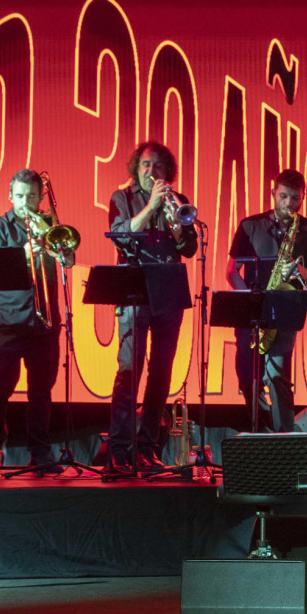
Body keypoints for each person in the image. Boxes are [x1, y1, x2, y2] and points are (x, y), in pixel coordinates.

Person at [106, 140, 198, 471]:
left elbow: (188, 248)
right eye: (145, 165)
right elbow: (120, 235)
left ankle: (146, 448)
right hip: (134, 289)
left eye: (158, 166)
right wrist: (150, 208)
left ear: (167, 171)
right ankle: (119, 449)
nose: (151, 171)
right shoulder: (123, 199)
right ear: (136, 169)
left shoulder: (180, 202)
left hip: (169, 291)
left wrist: (174, 218)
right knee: (129, 370)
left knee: (161, 373)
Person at [0, 168, 74, 473]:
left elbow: (68, 259)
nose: (25, 202)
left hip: (44, 323)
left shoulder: (49, 224)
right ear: (10, 197)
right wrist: (23, 253)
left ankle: (41, 454)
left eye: (31, 196)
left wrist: (59, 250)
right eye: (20, 196)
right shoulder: (0, 228)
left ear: (40, 197)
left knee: (41, 392)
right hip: (9, 322)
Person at [226, 169, 307, 431]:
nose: (289, 204)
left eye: (296, 198)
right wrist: (248, 300)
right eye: (284, 196)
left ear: (303, 197)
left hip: (285, 311)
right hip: (251, 312)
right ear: (273, 194)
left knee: (278, 377)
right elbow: (231, 271)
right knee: (248, 380)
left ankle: (283, 439)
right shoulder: (249, 226)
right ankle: (262, 435)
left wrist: (299, 271)